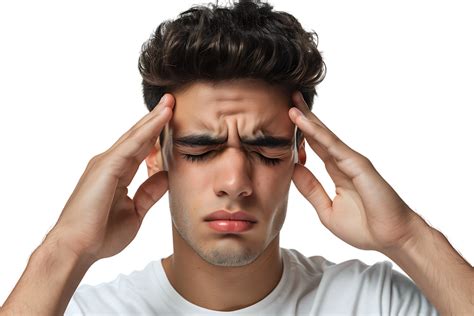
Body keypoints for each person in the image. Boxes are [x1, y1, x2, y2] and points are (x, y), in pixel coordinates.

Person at [1, 0, 472, 315]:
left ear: (298, 156)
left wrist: (408, 237)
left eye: (266, 150)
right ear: (155, 156)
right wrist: (64, 250)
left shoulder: (374, 302)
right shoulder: (83, 310)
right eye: (199, 150)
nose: (234, 181)